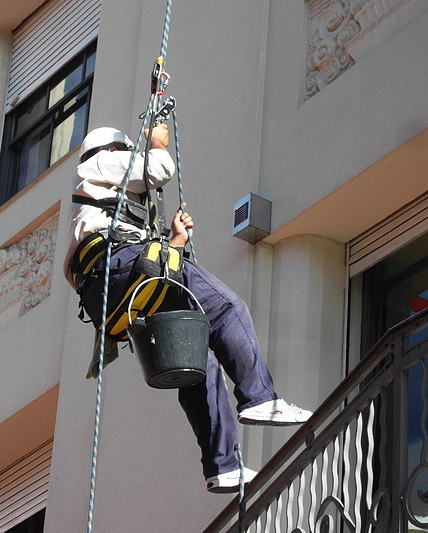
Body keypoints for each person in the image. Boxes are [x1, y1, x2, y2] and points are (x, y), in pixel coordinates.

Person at [64, 124, 312, 493]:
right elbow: (160, 167)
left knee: (194, 358)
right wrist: (156, 141)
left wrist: (174, 243)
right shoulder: (97, 165)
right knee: (227, 308)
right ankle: (260, 399)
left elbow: (89, 271)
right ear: (114, 151)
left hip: (115, 293)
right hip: (125, 266)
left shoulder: (91, 212)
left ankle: (222, 466)